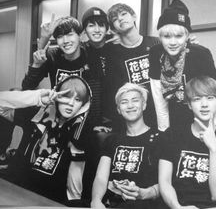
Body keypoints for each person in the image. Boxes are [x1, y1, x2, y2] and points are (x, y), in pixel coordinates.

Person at [4, 76, 93, 205]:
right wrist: (38, 97)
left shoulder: (80, 132)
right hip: (16, 190)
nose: (71, 103)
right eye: (66, 96)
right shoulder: (37, 115)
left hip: (47, 200)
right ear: (56, 96)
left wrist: (73, 204)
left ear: (83, 105)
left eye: (78, 99)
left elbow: (75, 179)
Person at [149, 0, 216, 132]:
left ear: (187, 36)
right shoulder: (156, 53)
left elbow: (215, 98)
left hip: (201, 123)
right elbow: (158, 98)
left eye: (179, 36)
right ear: (160, 37)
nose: (173, 42)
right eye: (167, 37)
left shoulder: (200, 54)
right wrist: (164, 133)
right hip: (174, 120)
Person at [158, 76, 216, 209]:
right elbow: (164, 182)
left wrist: (214, 149)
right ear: (189, 104)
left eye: (210, 98)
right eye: (197, 99)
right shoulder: (172, 135)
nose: (204, 104)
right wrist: (177, 207)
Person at [91, 83, 165, 209]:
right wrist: (96, 201)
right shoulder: (112, 140)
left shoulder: (160, 138)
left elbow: (167, 182)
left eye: (135, 101)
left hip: (145, 203)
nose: (130, 106)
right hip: (113, 202)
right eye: (124, 102)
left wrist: (144, 193)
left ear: (144, 105)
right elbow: (101, 178)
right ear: (119, 109)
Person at [104, 3, 159, 132]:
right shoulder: (112, 52)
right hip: (133, 115)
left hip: (159, 110)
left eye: (123, 14)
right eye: (115, 19)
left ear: (134, 16)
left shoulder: (155, 43)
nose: (121, 19)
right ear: (114, 28)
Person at [22, 16, 88, 90]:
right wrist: (36, 64)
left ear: (80, 36)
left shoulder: (88, 55)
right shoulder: (52, 55)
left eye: (70, 35)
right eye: (60, 36)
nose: (65, 41)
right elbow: (27, 87)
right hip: (57, 101)